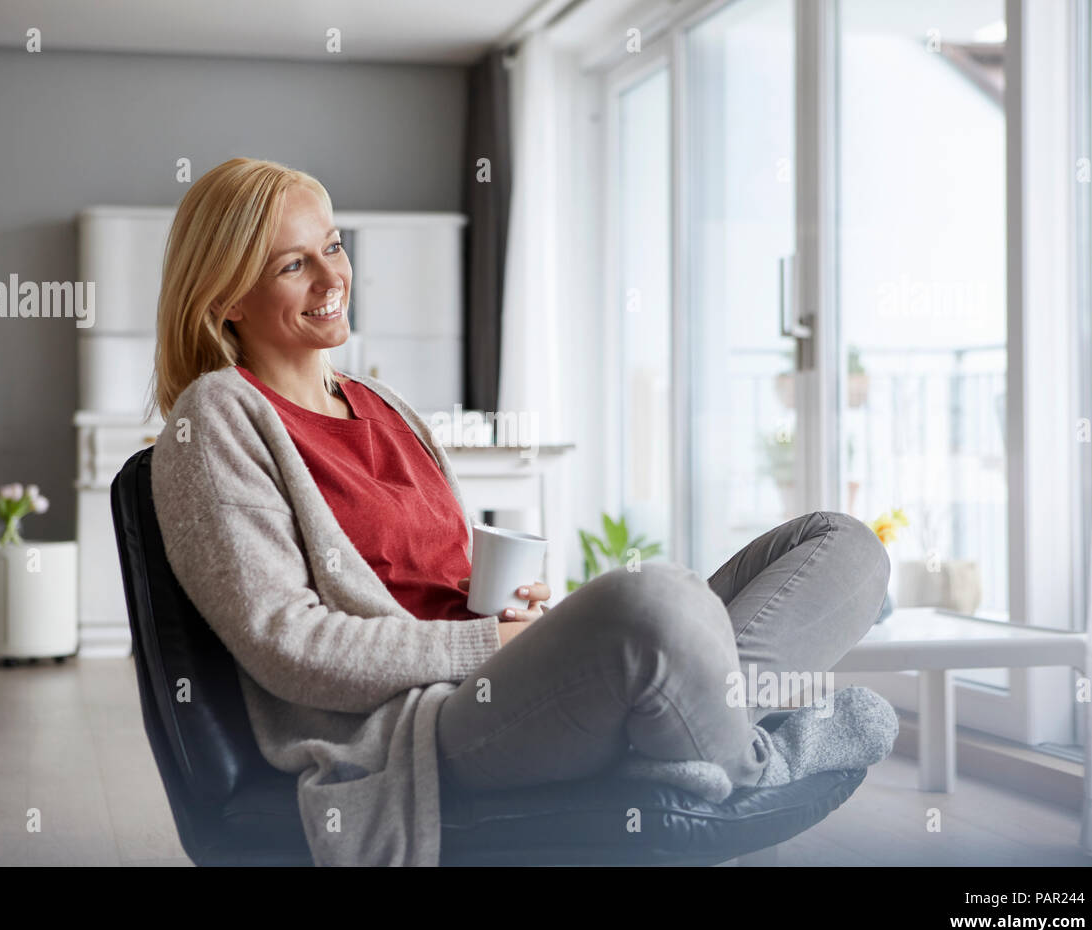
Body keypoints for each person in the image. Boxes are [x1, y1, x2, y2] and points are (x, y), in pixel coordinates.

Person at [148, 157, 891, 867]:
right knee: (655, 600)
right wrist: (488, 647)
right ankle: (752, 763)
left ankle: (682, 747)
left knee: (841, 544)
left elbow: (440, 582)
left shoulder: (385, 406)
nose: (331, 276)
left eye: (333, 247)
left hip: (502, 682)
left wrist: (504, 611)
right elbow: (288, 643)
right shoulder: (217, 416)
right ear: (225, 299)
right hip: (424, 727)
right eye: (292, 264)